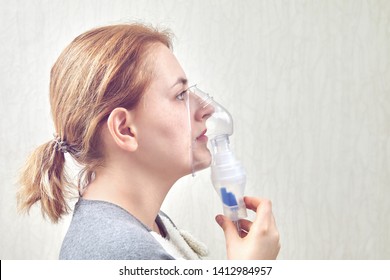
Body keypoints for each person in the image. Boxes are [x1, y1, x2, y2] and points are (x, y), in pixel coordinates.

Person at [17, 23, 280, 260]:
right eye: (180, 95)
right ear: (125, 130)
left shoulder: (147, 225)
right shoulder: (124, 252)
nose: (206, 109)